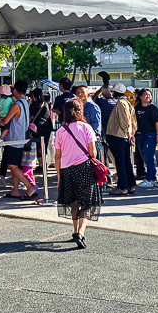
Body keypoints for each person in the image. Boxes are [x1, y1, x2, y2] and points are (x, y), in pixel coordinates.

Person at [54, 98, 103, 249]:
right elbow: (93, 153)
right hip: (84, 169)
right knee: (86, 203)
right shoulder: (86, 128)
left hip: (67, 170)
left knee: (74, 201)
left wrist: (59, 176)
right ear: (80, 111)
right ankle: (81, 232)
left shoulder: (61, 131)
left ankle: (75, 230)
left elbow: (57, 156)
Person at [1, 80, 37, 199]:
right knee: (14, 165)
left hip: (13, 140)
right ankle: (15, 190)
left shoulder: (16, 105)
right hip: (21, 139)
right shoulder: (25, 103)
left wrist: (0, 118)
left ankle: (29, 186)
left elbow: (5, 121)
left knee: (12, 166)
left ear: (15, 90)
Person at [105, 83, 136, 196]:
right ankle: (130, 185)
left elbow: (125, 120)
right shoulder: (127, 102)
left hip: (118, 136)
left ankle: (122, 187)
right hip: (124, 136)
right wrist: (131, 133)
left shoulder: (121, 103)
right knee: (126, 161)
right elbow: (132, 121)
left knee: (120, 162)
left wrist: (128, 133)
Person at [134, 88, 158, 188]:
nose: (147, 96)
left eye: (149, 95)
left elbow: (157, 122)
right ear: (140, 97)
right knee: (144, 157)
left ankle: (149, 178)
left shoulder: (153, 108)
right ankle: (153, 178)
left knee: (149, 157)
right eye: (145, 95)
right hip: (139, 134)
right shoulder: (137, 108)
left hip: (150, 135)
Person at [0, 84, 14, 186]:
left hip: (2, 118)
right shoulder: (11, 101)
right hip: (8, 120)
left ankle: (0, 138)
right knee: (7, 129)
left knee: (4, 129)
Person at [28, 89, 53, 173]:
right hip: (48, 127)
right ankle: (44, 163)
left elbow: (31, 117)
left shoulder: (33, 105)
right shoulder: (46, 103)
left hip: (38, 127)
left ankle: (41, 165)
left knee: (39, 145)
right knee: (44, 145)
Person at [75, 85, 102, 160]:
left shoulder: (92, 106)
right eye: (78, 92)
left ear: (88, 94)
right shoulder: (78, 107)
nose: (80, 94)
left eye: (82, 92)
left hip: (92, 140)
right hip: (82, 140)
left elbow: (95, 125)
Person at [93, 85, 118, 165]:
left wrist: (101, 88)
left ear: (103, 94)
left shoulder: (102, 102)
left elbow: (94, 97)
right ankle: (119, 170)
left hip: (105, 130)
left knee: (105, 152)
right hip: (116, 130)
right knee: (115, 152)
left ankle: (106, 171)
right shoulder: (116, 102)